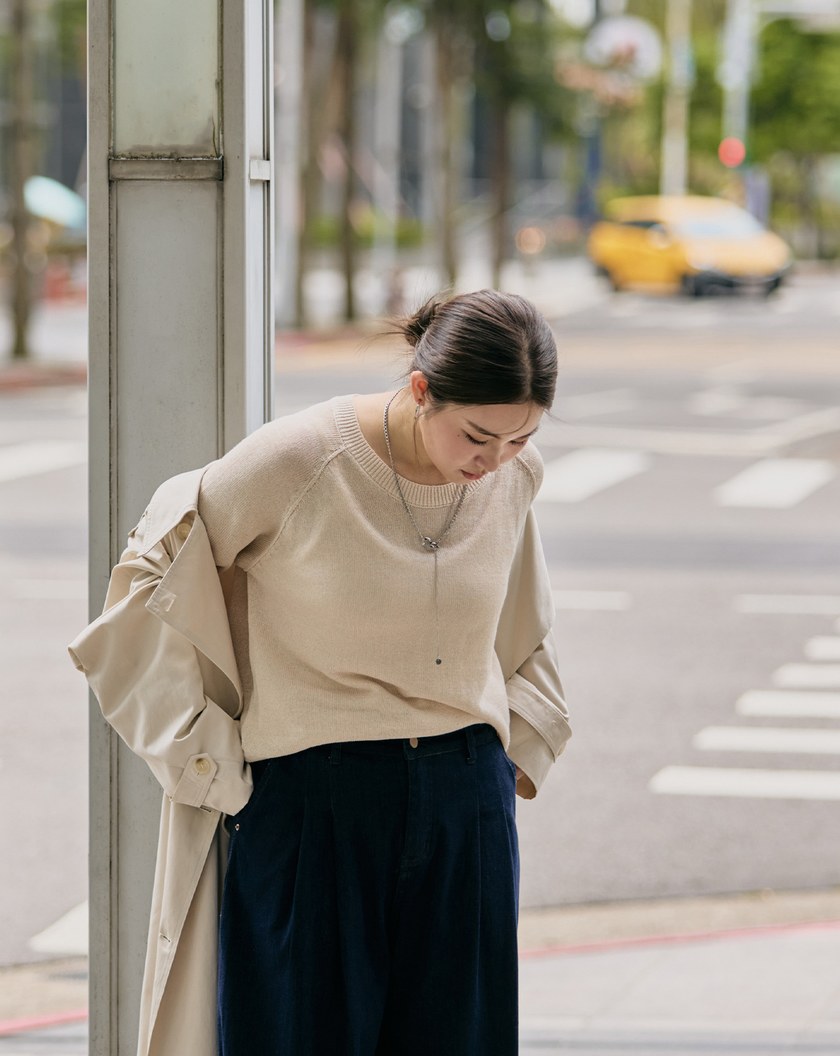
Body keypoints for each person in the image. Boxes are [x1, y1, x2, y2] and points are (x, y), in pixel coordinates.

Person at [70, 288, 571, 1056]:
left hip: (464, 803)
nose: (495, 460)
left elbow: (523, 620)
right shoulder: (301, 458)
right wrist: (204, 758)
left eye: (519, 438)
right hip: (312, 804)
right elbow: (147, 582)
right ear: (420, 389)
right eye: (478, 435)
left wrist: (517, 748)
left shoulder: (511, 473)